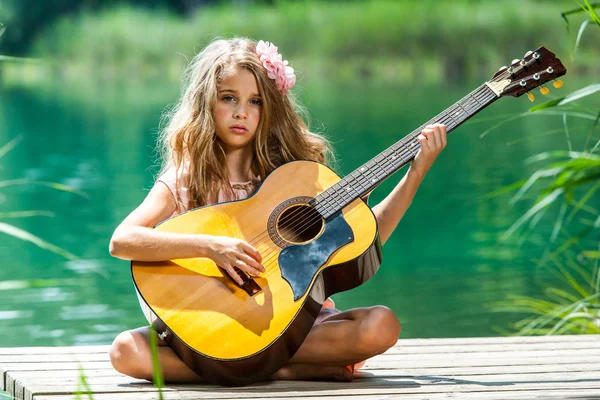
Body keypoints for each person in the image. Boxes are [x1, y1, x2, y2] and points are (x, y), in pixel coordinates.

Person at [108, 37, 447, 383]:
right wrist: (210, 247)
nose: (241, 112)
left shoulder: (294, 177)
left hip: (297, 324)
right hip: (213, 326)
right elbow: (123, 240)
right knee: (125, 351)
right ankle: (282, 368)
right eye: (229, 98)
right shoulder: (186, 177)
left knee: (381, 325)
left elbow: (364, 238)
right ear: (206, 103)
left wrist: (415, 173)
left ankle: (252, 367)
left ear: (269, 109)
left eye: (255, 101)